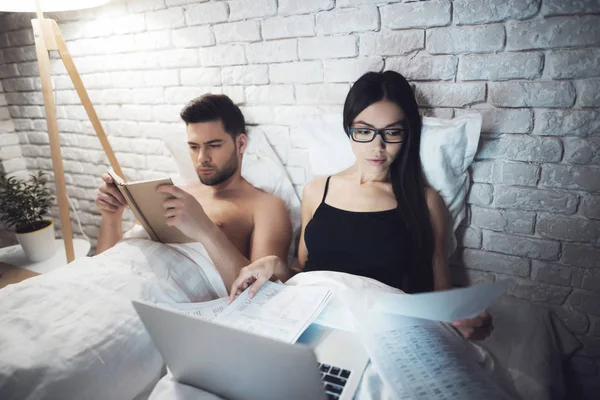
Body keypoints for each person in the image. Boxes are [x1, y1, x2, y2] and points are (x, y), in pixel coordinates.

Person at [229, 71, 493, 340]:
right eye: (364, 131)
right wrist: (274, 264)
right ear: (349, 130)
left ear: (407, 134)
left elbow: (440, 296)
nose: (377, 147)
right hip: (316, 325)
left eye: (392, 132)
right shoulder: (317, 191)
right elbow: (311, 275)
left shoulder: (425, 202)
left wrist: (464, 319)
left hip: (384, 334)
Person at [94, 94, 292, 291]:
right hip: (111, 282)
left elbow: (265, 292)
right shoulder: (173, 194)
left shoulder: (264, 206)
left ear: (240, 144)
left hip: (159, 296)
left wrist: (206, 228)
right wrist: (111, 217)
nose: (202, 157)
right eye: (193, 147)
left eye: (213, 146)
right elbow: (105, 263)